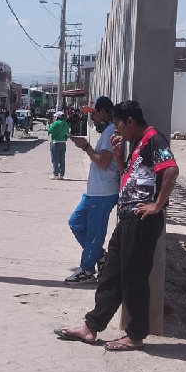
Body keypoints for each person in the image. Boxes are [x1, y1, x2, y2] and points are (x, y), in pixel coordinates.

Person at [56, 100, 179, 351]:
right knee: (111, 274)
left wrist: (157, 205)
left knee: (134, 278)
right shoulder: (135, 143)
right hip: (127, 218)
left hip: (143, 219)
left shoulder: (154, 139)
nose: (117, 130)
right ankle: (91, 327)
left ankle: (135, 335)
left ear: (130, 122)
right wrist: (121, 158)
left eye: (119, 125)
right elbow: (128, 178)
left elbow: (171, 171)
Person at [64, 97, 119, 284]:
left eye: (93, 114)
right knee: (76, 222)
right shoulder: (107, 132)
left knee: (95, 232)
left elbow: (103, 162)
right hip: (94, 191)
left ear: (103, 112)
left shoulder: (111, 131)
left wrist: (86, 146)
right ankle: (100, 256)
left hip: (103, 192)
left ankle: (87, 270)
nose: (92, 119)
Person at [47, 111, 70, 179]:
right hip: (63, 143)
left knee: (55, 159)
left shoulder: (55, 123)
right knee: (62, 159)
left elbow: (50, 131)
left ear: (57, 117)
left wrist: (51, 125)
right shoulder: (66, 124)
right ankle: (62, 174)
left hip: (55, 143)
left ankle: (55, 174)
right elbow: (67, 134)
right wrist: (64, 138)